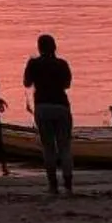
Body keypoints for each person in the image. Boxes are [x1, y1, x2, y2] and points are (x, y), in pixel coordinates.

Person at [23, 33, 74, 196]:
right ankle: (68, 186)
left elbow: (27, 83)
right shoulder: (62, 64)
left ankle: (53, 186)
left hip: (43, 107)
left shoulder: (34, 63)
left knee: (48, 148)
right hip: (61, 105)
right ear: (54, 47)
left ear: (39, 48)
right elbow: (67, 85)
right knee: (64, 147)